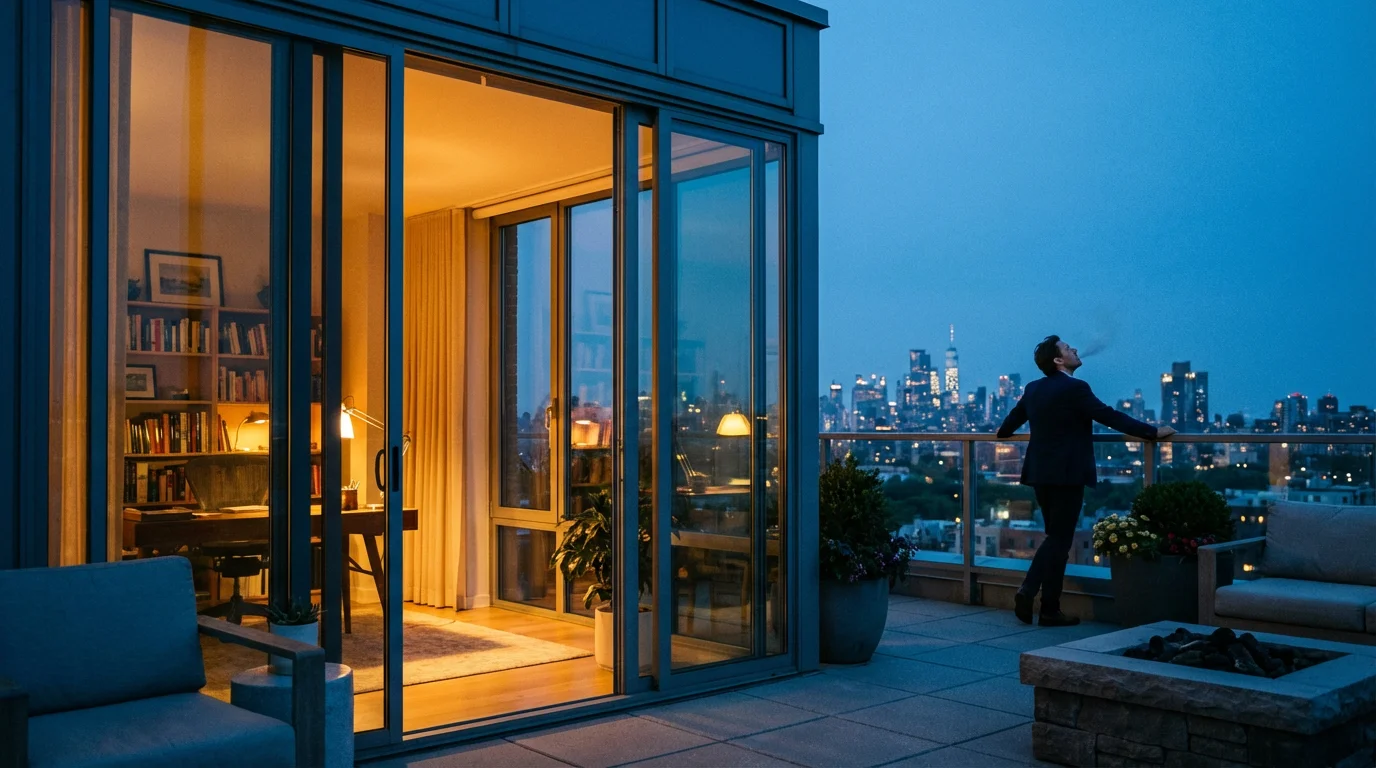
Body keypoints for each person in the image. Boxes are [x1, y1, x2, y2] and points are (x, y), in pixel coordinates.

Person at [995, 335, 1174, 626]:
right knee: (1059, 539)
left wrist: (1020, 429)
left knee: (1058, 539)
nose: (1075, 349)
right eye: (1067, 348)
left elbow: (1006, 429)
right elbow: (1109, 416)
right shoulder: (1076, 388)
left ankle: (1050, 609)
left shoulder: (1033, 389)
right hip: (1067, 474)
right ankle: (1028, 591)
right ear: (1058, 360)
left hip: (1040, 472)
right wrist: (1152, 432)